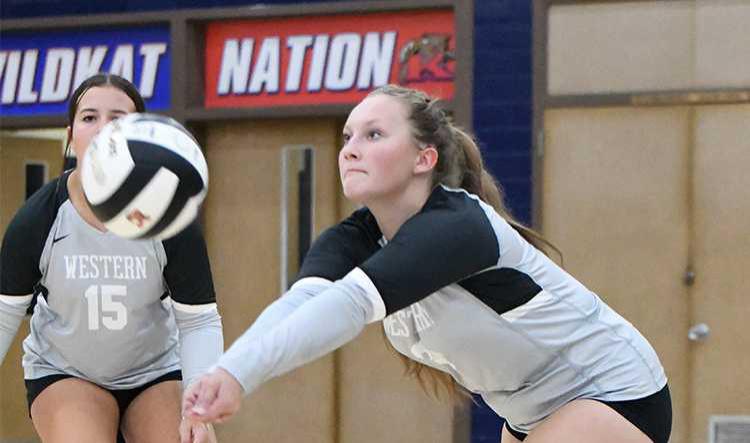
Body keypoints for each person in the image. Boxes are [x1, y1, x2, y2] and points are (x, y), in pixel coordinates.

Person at [181, 85, 671, 443]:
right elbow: (302, 304)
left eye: (374, 134)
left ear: (423, 158)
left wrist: (239, 378)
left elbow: (349, 306)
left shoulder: (457, 227)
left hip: (611, 389)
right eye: (349, 135)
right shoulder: (354, 238)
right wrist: (224, 373)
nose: (351, 147)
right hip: (527, 414)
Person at [0, 73, 222, 443]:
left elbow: (199, 322)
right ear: (71, 135)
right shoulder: (39, 218)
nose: (103, 129)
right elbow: (5, 314)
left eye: (118, 119)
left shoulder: (169, 217)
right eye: (89, 117)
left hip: (155, 372)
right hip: (66, 371)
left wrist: (199, 412)